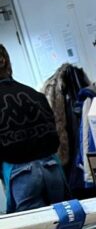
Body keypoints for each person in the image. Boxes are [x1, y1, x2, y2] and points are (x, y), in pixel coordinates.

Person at [0, 44, 70, 212]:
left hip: (20, 173)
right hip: (52, 167)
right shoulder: (35, 95)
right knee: (65, 220)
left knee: (36, 226)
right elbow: (54, 133)